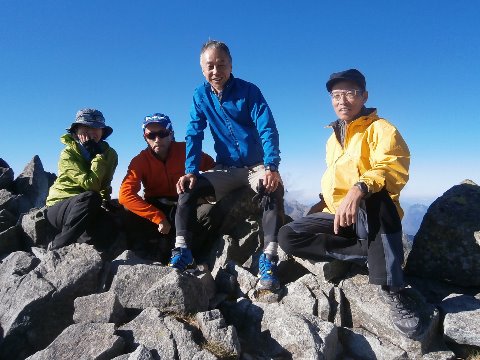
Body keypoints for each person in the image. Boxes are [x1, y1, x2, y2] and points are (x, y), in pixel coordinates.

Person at [278, 69, 422, 338]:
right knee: (288, 235)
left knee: (376, 196)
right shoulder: (333, 138)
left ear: (364, 96)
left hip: (371, 215)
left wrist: (359, 189)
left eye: (350, 93)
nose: (342, 100)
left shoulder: (381, 128)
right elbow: (336, 179)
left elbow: (392, 168)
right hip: (339, 214)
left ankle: (393, 290)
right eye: (336, 95)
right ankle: (369, 254)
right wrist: (321, 203)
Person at [171, 40, 285, 292]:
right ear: (202, 69)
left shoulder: (248, 91)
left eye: (221, 64)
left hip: (257, 166)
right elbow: (194, 133)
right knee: (188, 189)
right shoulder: (200, 96)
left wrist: (271, 166)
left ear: (231, 65)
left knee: (271, 190)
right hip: (226, 168)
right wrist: (190, 170)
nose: (216, 71)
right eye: (210, 66)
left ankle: (268, 258)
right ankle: (182, 250)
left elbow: (267, 128)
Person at [118, 113, 216, 263]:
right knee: (126, 210)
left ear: (171, 134)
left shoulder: (186, 151)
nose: (157, 139)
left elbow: (214, 168)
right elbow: (125, 195)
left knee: (209, 212)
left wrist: (203, 190)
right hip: (157, 205)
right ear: (145, 137)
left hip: (185, 203)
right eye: (151, 135)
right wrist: (158, 217)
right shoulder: (140, 161)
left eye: (162, 133)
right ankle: (149, 249)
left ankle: (192, 253)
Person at [46, 108, 118, 250]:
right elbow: (90, 186)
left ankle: (85, 251)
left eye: (97, 128)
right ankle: (57, 247)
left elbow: (105, 183)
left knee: (109, 224)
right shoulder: (68, 153)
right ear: (76, 131)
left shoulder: (111, 154)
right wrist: (97, 157)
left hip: (88, 206)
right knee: (90, 197)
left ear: (102, 131)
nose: (92, 132)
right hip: (59, 207)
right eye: (86, 127)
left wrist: (106, 201)